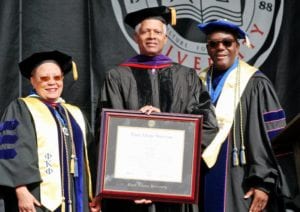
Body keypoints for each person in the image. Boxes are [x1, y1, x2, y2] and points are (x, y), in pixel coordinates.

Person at [95, 6, 218, 212]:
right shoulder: (117, 77)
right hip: (129, 185)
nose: (152, 36)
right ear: (136, 37)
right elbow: (105, 131)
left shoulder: (186, 77)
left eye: (157, 32)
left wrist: (167, 122)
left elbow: (207, 124)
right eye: (146, 31)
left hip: (174, 182)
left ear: (166, 38)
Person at [197, 20, 291, 212]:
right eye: (213, 44)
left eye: (227, 42)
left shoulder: (255, 84)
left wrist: (264, 183)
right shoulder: (197, 82)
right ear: (208, 49)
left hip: (240, 177)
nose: (220, 48)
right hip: (200, 177)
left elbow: (270, 139)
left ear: (237, 46)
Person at [0, 50, 100, 212]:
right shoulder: (22, 108)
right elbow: (13, 152)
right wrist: (21, 190)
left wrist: (96, 193)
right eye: (44, 79)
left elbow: (91, 157)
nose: (52, 83)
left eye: (57, 77)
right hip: (37, 199)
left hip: (76, 198)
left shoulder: (74, 113)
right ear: (32, 81)